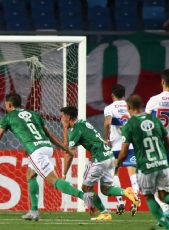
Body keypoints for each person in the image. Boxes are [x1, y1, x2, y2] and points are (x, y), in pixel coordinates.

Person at [0, 93, 96, 222]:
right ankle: (34, 211)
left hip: (36, 151)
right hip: (47, 147)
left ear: (9, 104)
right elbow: (50, 135)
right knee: (30, 175)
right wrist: (65, 149)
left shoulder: (8, 117)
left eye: (6, 104)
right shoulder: (34, 114)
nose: (5, 106)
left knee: (54, 181)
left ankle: (85, 196)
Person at [60, 106, 139, 221]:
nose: (60, 118)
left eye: (62, 116)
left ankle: (105, 213)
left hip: (99, 158)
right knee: (106, 189)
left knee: (85, 187)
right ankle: (126, 192)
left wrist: (64, 173)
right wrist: (66, 129)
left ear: (68, 116)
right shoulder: (82, 123)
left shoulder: (76, 128)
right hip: (109, 156)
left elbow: (69, 153)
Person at [117, 95, 169, 228]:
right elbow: (167, 141)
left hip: (146, 166)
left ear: (128, 107)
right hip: (162, 163)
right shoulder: (155, 120)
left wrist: (116, 165)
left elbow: (123, 152)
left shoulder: (130, 124)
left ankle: (166, 225)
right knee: (163, 195)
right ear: (141, 106)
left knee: (149, 197)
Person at [103, 84, 139, 216]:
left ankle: (120, 202)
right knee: (133, 174)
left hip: (115, 145)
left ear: (112, 95)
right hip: (130, 145)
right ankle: (135, 198)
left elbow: (107, 123)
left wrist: (106, 139)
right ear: (124, 95)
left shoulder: (109, 108)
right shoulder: (129, 106)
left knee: (114, 173)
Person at [145, 69, 169, 215]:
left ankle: (165, 209)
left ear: (162, 81)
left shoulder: (153, 101)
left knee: (156, 185)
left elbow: (146, 124)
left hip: (158, 146)